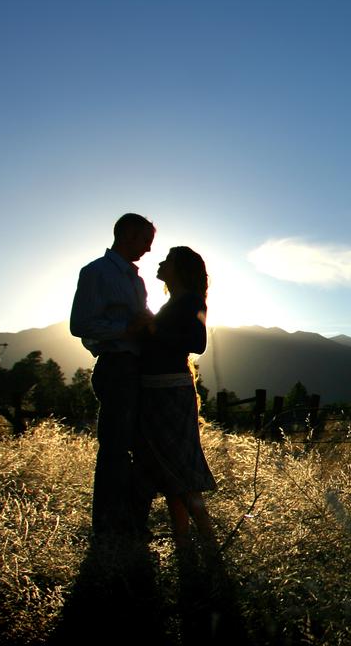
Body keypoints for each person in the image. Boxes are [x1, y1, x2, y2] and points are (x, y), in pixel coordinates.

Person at [70, 213, 158, 540]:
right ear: (127, 235)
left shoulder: (136, 280)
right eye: (144, 242)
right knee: (116, 449)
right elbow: (80, 325)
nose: (148, 250)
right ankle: (107, 528)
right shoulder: (97, 273)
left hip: (138, 368)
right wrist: (127, 328)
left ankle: (131, 522)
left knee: (141, 447)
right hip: (117, 365)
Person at [136, 246, 217, 552]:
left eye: (167, 260)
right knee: (172, 470)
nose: (161, 263)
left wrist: (153, 329)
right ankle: (183, 542)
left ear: (180, 268)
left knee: (180, 469)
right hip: (161, 390)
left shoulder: (192, 301)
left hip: (169, 391)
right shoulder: (176, 301)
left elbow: (197, 343)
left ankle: (208, 542)